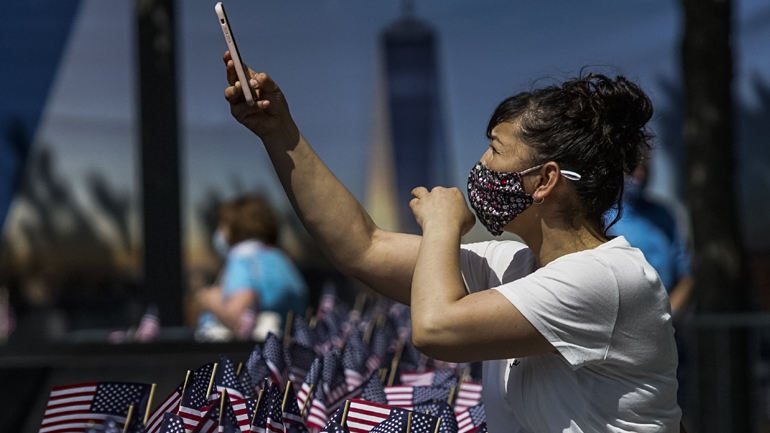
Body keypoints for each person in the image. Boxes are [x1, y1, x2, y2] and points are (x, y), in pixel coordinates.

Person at [222, 52, 681, 432]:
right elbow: (363, 247)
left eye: (497, 150)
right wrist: (278, 130)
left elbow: (436, 328)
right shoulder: (516, 264)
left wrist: (441, 225)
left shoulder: (605, 278)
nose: (481, 164)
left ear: (545, 181)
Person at [196, 195, 308, 341]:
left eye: (222, 225)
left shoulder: (243, 257)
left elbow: (239, 317)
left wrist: (207, 299)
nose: (219, 233)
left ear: (233, 227)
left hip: (248, 356)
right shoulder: (280, 259)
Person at [610, 153, 693, 314]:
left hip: (664, 318)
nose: (639, 175)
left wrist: (669, 314)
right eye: (632, 169)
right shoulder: (605, 217)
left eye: (644, 169)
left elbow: (685, 275)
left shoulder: (665, 215)